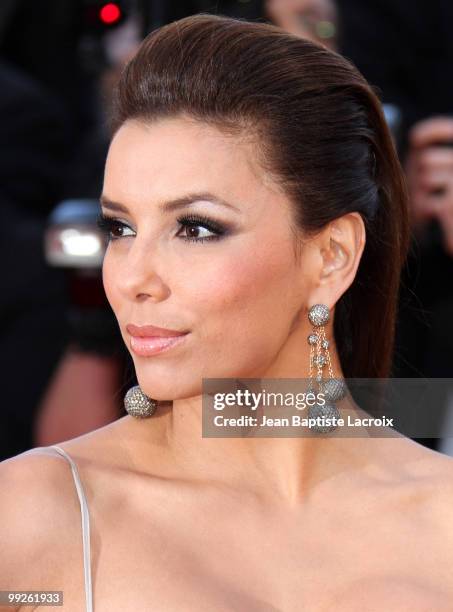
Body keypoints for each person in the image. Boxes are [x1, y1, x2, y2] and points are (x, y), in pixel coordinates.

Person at [1, 13, 453, 610]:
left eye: (195, 228)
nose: (134, 276)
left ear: (332, 256)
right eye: (120, 227)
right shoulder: (34, 516)